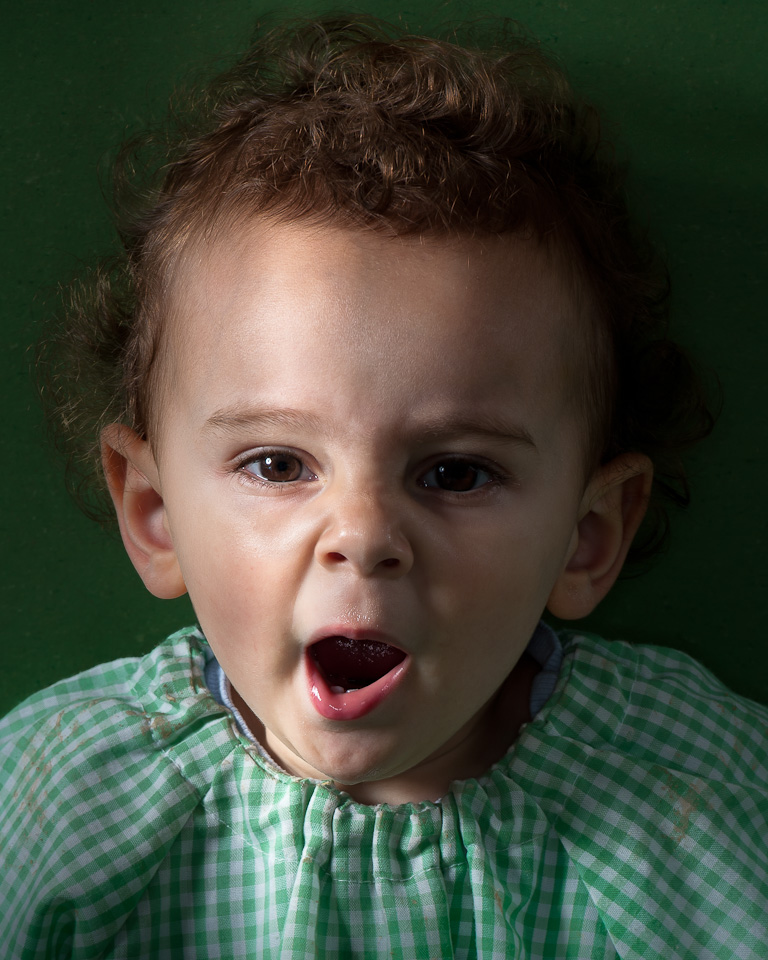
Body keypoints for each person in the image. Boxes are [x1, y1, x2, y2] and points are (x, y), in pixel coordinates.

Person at [1, 15, 766, 959]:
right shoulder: (64, 801)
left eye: (455, 472)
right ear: (154, 515)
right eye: (277, 465)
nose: (362, 536)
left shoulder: (691, 791)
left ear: (587, 537)